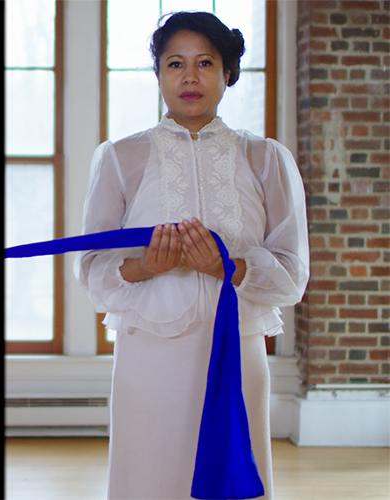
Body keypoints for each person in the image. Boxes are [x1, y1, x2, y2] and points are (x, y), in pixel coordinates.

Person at [74, 12, 309, 500]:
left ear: (227, 74)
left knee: (233, 473)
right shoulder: (120, 157)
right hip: (149, 350)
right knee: (151, 478)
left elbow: (291, 275)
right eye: (174, 63)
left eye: (205, 63)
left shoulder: (266, 158)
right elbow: (92, 269)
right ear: (157, 75)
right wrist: (147, 266)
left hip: (237, 347)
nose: (189, 76)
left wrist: (229, 268)